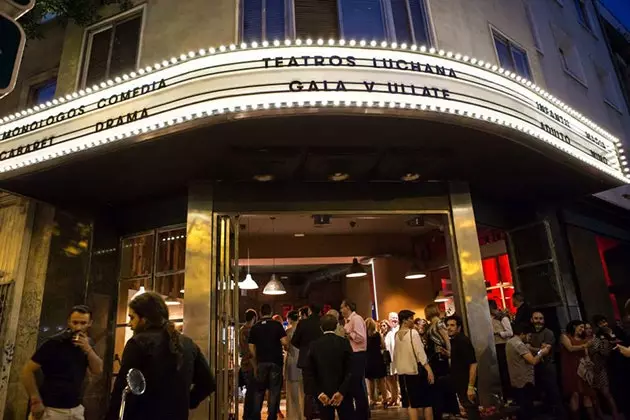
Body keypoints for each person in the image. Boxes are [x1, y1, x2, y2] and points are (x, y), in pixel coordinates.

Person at [106, 292, 214, 420]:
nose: (130, 324)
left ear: (144, 319)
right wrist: (187, 401)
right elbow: (208, 382)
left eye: (132, 317)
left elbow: (122, 390)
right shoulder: (188, 344)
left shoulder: (138, 343)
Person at [22, 305, 103, 420]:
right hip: (51, 408)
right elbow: (27, 370)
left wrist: (88, 349)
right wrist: (35, 400)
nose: (78, 327)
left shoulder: (88, 344)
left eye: (83, 323)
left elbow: (97, 370)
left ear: (90, 323)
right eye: (75, 323)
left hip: (76, 408)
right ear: (69, 322)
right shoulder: (54, 343)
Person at [303, 314, 354, 420]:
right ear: (336, 327)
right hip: (343, 393)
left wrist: (319, 393)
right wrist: (342, 391)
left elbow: (309, 372)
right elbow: (350, 370)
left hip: (323, 394)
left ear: (321, 327)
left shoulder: (314, 345)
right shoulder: (344, 343)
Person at [249, 304, 289, 420]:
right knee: (274, 391)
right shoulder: (277, 325)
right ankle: (271, 417)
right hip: (275, 362)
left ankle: (256, 416)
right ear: (271, 313)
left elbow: (251, 349)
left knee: (259, 391)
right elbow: (285, 342)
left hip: (261, 362)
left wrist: (256, 363)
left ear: (260, 313)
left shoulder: (255, 327)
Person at [393, 309, 434, 420]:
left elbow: (395, 355)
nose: (412, 321)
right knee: (427, 401)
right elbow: (420, 353)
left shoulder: (396, 335)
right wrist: (429, 369)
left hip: (403, 373)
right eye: (410, 319)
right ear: (405, 320)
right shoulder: (413, 333)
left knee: (411, 403)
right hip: (415, 371)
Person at [506, 323, 551, 420]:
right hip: (524, 381)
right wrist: (541, 352)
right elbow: (533, 361)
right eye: (529, 335)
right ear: (522, 334)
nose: (530, 338)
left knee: (523, 407)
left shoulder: (510, 342)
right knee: (527, 409)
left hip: (516, 379)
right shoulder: (519, 344)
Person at [528, 311, 564, 419]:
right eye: (536, 318)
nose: (538, 321)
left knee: (553, 392)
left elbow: (545, 351)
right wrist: (540, 350)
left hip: (548, 366)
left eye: (541, 318)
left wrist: (531, 349)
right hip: (534, 366)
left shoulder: (548, 333)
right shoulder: (529, 333)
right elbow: (541, 350)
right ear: (531, 320)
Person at [425, 303, 458, 419]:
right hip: (437, 358)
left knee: (443, 384)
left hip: (441, 359)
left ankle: (449, 411)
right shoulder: (433, 325)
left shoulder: (439, 324)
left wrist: (450, 355)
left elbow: (446, 339)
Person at [445, 315, 480, 420]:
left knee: (472, 411)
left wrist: (470, 387)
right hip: (460, 383)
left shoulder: (462, 340)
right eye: (447, 325)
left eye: (452, 325)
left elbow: (473, 363)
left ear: (459, 327)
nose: (449, 328)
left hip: (466, 383)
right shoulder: (455, 340)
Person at [291, 303, 323, 420]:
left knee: (308, 389)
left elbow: (294, 341)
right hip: (321, 359)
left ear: (309, 311)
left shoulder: (303, 323)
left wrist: (304, 348)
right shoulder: (322, 322)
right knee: (321, 385)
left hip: (306, 359)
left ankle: (309, 414)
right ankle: (321, 411)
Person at [560, 320, 596, 420]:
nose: (582, 329)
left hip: (582, 368)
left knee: (587, 394)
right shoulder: (565, 336)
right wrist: (585, 345)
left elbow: (586, 354)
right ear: (574, 327)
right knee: (574, 394)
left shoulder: (584, 339)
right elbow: (570, 348)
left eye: (583, 328)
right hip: (570, 367)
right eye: (580, 327)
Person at [585, 320, 621, 420]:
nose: (588, 330)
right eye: (585, 328)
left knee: (606, 393)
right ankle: (600, 415)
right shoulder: (583, 341)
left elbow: (606, 353)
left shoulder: (598, 339)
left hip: (600, 368)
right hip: (588, 370)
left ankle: (616, 415)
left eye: (589, 328)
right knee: (594, 396)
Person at [340, 299, 369, 419]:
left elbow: (361, 337)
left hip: (358, 354)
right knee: (354, 385)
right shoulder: (348, 320)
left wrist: (347, 333)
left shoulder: (356, 319)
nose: (341, 310)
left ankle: (362, 414)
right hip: (353, 355)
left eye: (342, 307)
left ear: (348, 307)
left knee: (357, 386)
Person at [489, 299, 513, 400]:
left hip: (502, 345)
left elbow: (510, 332)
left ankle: (509, 395)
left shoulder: (502, 318)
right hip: (493, 346)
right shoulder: (489, 318)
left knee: (504, 370)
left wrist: (499, 333)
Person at [364, 318, 388, 408]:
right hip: (378, 359)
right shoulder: (378, 335)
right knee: (381, 381)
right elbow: (383, 345)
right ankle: (385, 400)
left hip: (368, 360)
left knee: (370, 382)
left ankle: (372, 400)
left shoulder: (365, 336)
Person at [285, 311, 304, 420]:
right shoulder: (303, 330)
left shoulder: (288, 331)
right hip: (302, 362)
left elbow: (286, 346)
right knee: (302, 391)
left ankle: (293, 416)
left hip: (292, 362)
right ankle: (302, 415)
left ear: (290, 319)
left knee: (292, 392)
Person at [240, 309, 258, 420]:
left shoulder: (241, 330)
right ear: (254, 318)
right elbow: (250, 351)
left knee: (250, 392)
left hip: (244, 364)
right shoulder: (251, 330)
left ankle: (248, 415)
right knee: (253, 393)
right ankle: (250, 416)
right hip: (251, 364)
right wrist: (256, 366)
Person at [384, 312, 400, 406]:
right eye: (392, 318)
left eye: (396, 318)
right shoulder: (388, 332)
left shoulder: (399, 330)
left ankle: (397, 397)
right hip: (389, 360)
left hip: (398, 359)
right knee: (391, 380)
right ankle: (394, 397)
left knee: (397, 380)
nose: (394, 320)